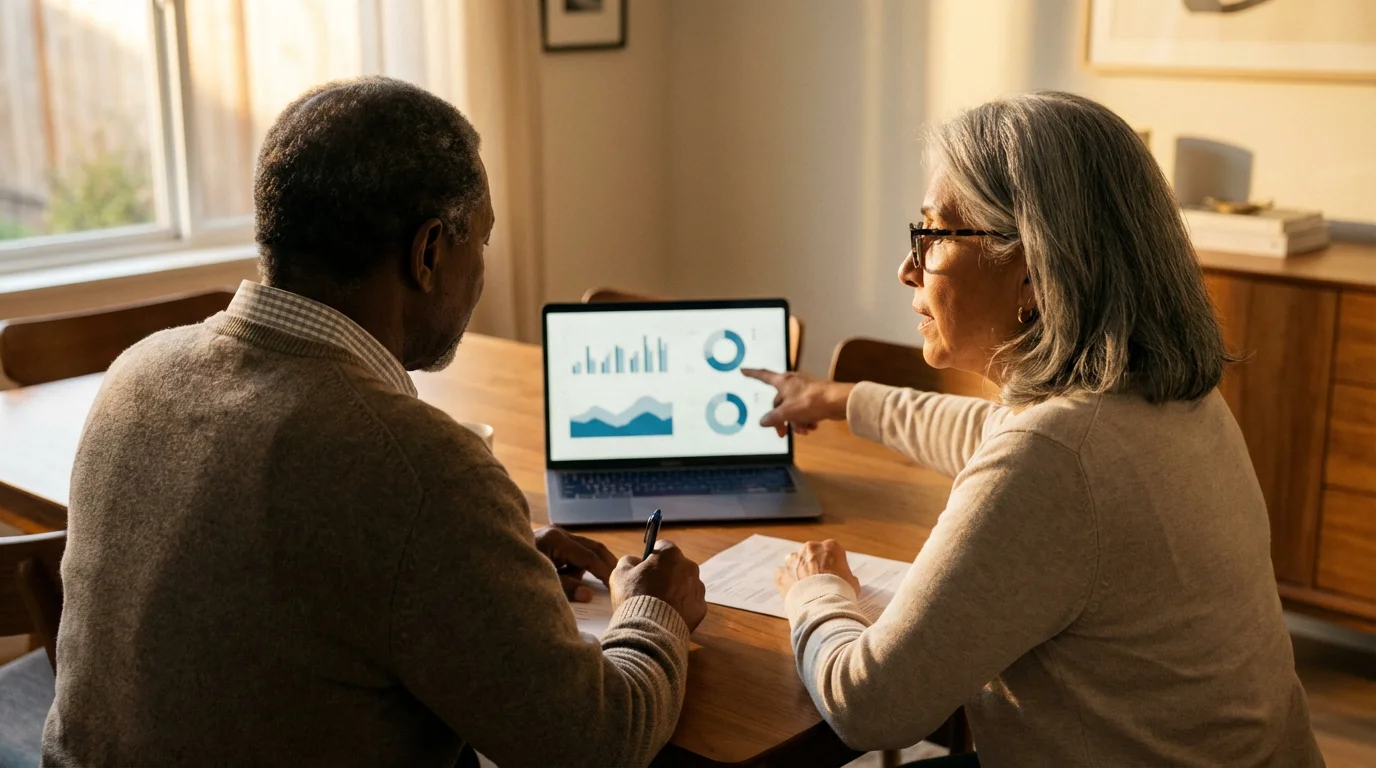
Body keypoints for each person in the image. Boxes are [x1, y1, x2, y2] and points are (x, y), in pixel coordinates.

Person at [43, 76, 707, 768]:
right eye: (480, 242)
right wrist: (651, 607)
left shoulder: (135, 375)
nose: (481, 270)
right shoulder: (418, 468)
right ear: (427, 254)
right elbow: (597, 744)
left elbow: (283, 581)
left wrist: (475, 571)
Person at [744, 91, 1323, 767]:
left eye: (932, 234)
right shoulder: (1167, 397)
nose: (909, 267)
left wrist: (815, 589)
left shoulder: (1052, 459)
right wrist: (843, 399)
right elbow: (995, 432)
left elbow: (869, 705)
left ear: (1031, 272)